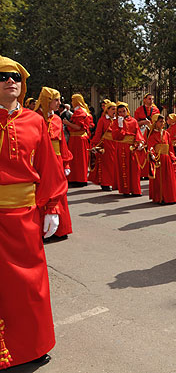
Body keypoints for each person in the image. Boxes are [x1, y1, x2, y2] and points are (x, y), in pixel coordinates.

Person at [0, 55, 67, 368]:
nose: (9, 81)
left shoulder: (35, 121)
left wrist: (52, 205)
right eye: (1, 77)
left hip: (25, 216)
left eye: (14, 76)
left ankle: (33, 345)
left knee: (30, 284)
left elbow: (48, 167)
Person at [34, 87, 74, 241]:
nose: (59, 103)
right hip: (42, 161)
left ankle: (61, 229)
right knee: (43, 193)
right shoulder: (35, 118)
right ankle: (43, 230)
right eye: (56, 100)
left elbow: (62, 142)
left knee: (59, 193)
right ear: (47, 100)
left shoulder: (57, 119)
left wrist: (66, 163)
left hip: (57, 160)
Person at [110, 102, 144, 197]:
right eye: (119, 112)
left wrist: (139, 142)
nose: (122, 113)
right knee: (124, 168)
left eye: (123, 111)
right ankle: (126, 190)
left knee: (134, 169)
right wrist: (120, 127)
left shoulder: (133, 121)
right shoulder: (116, 122)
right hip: (121, 148)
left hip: (132, 147)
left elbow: (138, 133)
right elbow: (116, 136)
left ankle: (136, 190)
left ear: (127, 111)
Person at [147, 114, 176, 205]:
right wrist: (153, 155)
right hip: (159, 159)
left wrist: (172, 157)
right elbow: (150, 148)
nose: (163, 123)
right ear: (155, 123)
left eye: (163, 121)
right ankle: (161, 197)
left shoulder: (166, 134)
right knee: (160, 179)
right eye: (160, 121)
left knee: (170, 179)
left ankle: (173, 197)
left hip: (166, 158)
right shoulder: (152, 135)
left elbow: (170, 147)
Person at [63, 94, 93, 187]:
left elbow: (79, 127)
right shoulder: (83, 111)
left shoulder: (80, 112)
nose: (71, 102)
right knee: (77, 159)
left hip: (78, 139)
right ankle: (76, 178)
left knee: (79, 159)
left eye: (73, 100)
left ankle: (79, 179)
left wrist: (67, 123)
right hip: (77, 138)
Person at [89, 100, 118, 191]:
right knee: (106, 165)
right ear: (107, 110)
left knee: (114, 164)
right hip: (106, 145)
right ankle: (105, 183)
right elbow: (98, 133)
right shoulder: (102, 120)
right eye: (113, 109)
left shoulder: (117, 120)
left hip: (115, 144)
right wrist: (95, 144)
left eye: (115, 109)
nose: (115, 111)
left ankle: (113, 182)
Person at [134, 93, 160, 180]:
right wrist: (144, 123)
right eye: (149, 99)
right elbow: (135, 123)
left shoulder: (156, 110)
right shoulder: (139, 110)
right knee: (142, 152)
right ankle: (142, 172)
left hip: (152, 134)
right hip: (142, 134)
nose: (151, 101)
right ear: (144, 100)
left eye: (152, 99)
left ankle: (151, 171)